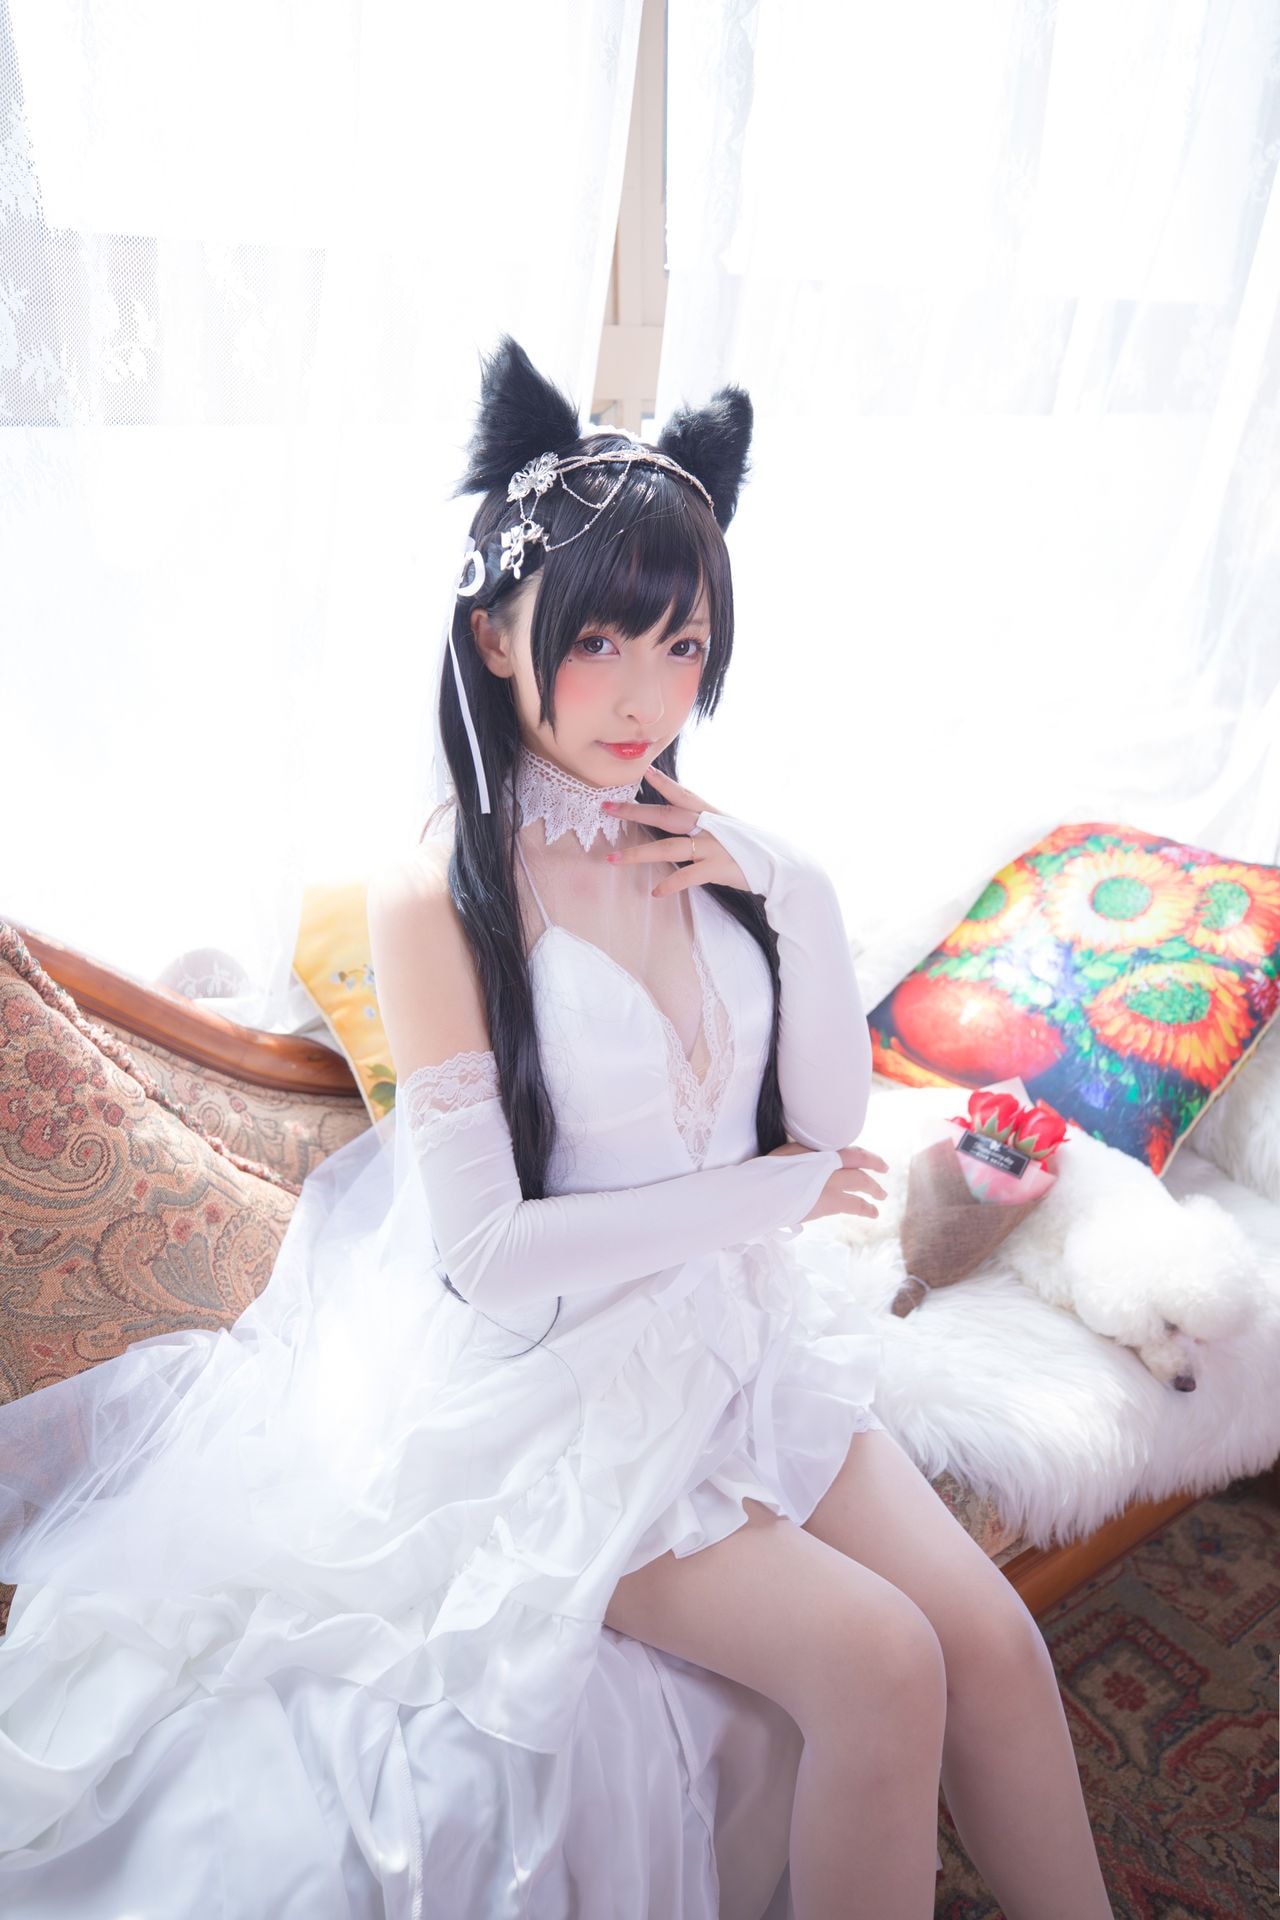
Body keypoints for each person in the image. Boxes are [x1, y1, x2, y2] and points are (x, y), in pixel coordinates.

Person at [0, 339, 1112, 1920]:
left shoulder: (702, 846)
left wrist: (790, 887)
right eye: (599, 642)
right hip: (548, 1402)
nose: (648, 696)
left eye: (684, 644)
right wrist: (765, 1199)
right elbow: (488, 1252)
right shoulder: (435, 888)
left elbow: (824, 1124)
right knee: (881, 1665)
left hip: (738, 1339)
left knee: (988, 1640)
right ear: (494, 635)